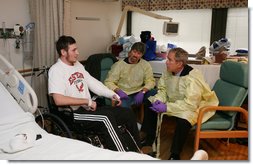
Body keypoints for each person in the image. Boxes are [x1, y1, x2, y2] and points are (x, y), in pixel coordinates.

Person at [48, 35, 142, 152]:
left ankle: (138, 151)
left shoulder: (78, 65)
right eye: (73, 50)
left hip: (88, 109)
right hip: (73, 114)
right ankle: (123, 157)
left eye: (77, 49)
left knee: (127, 113)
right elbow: (58, 100)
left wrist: (112, 94)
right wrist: (87, 101)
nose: (77, 53)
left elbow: (94, 83)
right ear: (63, 52)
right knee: (105, 118)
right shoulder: (56, 70)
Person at [141, 47, 219, 159]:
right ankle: (149, 140)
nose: (166, 62)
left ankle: (175, 154)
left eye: (169, 60)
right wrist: (158, 101)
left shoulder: (193, 77)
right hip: (173, 102)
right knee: (150, 102)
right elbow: (163, 90)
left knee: (184, 119)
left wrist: (167, 107)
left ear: (179, 64)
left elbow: (190, 104)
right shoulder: (168, 71)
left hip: (194, 106)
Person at [104, 42, 156, 108]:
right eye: (134, 52)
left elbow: (150, 81)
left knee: (156, 93)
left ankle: (147, 117)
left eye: (139, 53)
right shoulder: (119, 65)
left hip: (139, 91)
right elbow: (109, 82)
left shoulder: (145, 65)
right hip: (124, 94)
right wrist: (119, 91)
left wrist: (143, 92)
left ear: (142, 55)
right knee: (124, 107)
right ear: (130, 51)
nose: (135, 55)